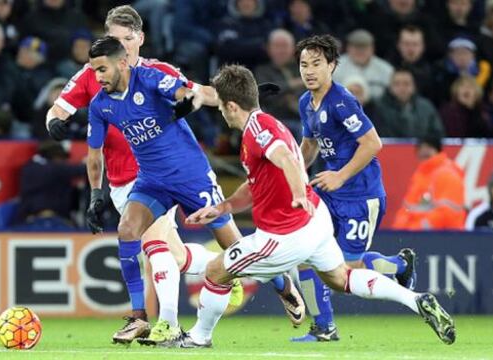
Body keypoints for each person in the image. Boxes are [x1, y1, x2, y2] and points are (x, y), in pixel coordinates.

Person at [179, 64, 455, 348]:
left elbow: (287, 157)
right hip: (315, 221)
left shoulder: (258, 130)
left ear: (232, 106)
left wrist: (298, 192)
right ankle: (416, 299)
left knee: (215, 271)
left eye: (222, 107)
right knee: (341, 278)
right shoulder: (265, 123)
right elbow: (255, 185)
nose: (221, 112)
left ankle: (199, 338)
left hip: (285, 234)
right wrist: (223, 207)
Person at [82, 34, 303, 345]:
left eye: (102, 69)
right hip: (152, 180)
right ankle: (138, 317)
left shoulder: (148, 78)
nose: (98, 77)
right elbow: (94, 155)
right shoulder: (100, 105)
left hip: (191, 175)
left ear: (121, 63)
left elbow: (189, 91)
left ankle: (282, 283)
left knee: (233, 247)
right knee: (127, 230)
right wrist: (95, 194)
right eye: (94, 71)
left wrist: (197, 99)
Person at [293, 35, 416, 342]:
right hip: (330, 194)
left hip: (362, 195)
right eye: (303, 64)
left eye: (317, 64)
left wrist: (340, 176)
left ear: (333, 66)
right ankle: (323, 327)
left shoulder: (342, 101)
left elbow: (373, 143)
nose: (309, 71)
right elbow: (309, 145)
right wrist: (291, 177)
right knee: (307, 256)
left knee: (346, 270)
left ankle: (400, 265)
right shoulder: (306, 102)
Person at [393, 137, 466, 230]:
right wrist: (399, 232)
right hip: (417, 237)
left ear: (437, 150)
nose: (423, 151)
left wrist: (414, 230)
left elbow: (446, 214)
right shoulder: (419, 176)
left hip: (443, 239)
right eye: (420, 148)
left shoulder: (447, 174)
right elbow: (406, 209)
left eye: (428, 147)